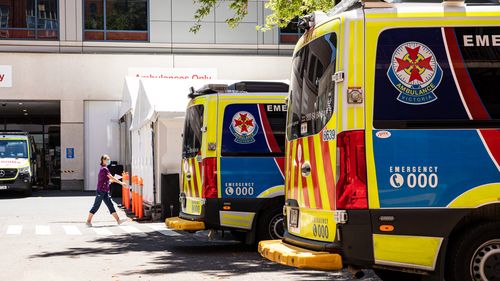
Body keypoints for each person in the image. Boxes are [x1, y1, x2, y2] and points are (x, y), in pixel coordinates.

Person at [86, 154, 125, 227]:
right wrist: (121, 182)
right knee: (96, 206)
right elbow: (111, 177)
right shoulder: (104, 169)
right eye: (108, 159)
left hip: (105, 191)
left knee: (110, 205)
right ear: (103, 160)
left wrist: (111, 181)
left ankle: (118, 220)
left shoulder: (104, 168)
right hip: (101, 191)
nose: (109, 161)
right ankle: (88, 221)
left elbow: (108, 179)